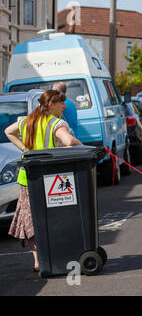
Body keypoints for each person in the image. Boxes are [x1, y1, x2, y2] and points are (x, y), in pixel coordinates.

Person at [4, 90, 82, 272]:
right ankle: (57, 254)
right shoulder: (56, 123)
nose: (64, 106)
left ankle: (38, 260)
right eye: (61, 103)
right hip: (51, 177)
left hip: (28, 178)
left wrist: (25, 149)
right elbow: (69, 141)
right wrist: (82, 145)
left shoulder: (26, 121)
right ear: (51, 105)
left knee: (31, 219)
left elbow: (8, 131)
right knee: (56, 216)